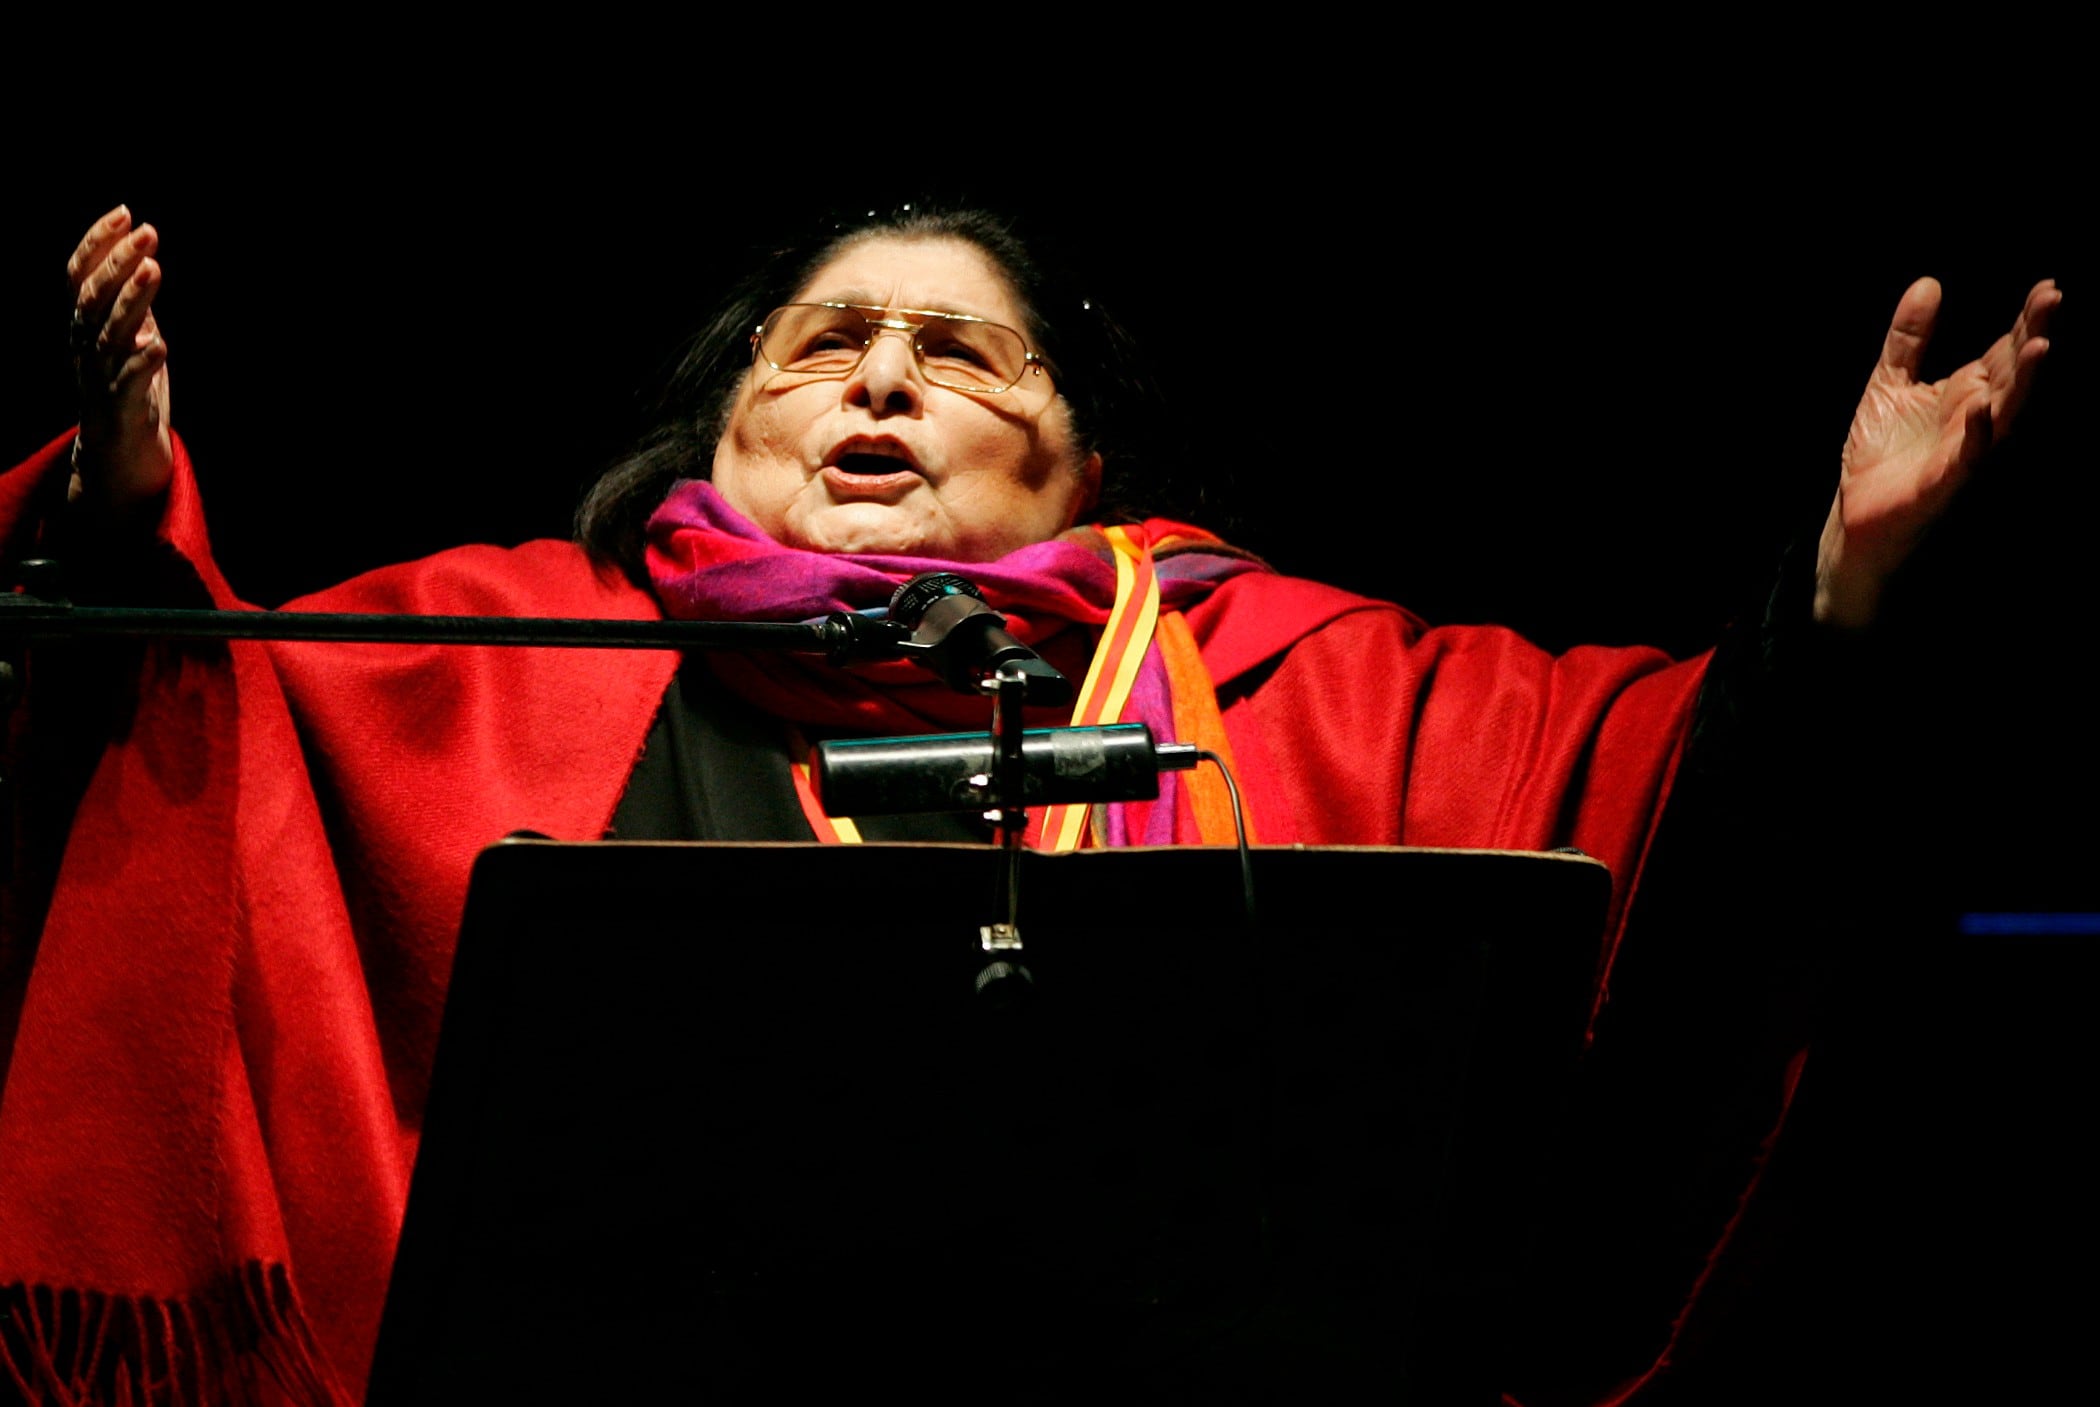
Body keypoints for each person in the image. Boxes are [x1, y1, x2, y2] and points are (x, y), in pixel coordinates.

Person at [0, 200, 2061, 1405]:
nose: (880, 380)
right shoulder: (490, 643)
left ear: (1082, 466)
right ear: (727, 428)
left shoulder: (1287, 674)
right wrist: (118, 503)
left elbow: (1666, 801)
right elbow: (172, 724)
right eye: (823, 343)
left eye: (956, 349)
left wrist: (1844, 585)